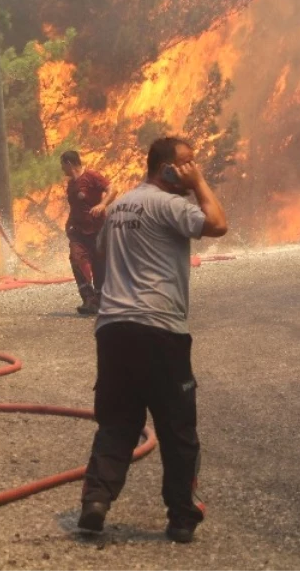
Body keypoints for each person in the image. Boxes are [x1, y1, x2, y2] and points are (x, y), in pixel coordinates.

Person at [78, 136, 228, 544]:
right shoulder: (172, 204)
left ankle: (95, 501)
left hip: (112, 330)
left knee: (117, 423)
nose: (191, 168)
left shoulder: (119, 205)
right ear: (164, 169)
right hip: (160, 330)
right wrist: (198, 184)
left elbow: (107, 259)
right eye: (185, 164)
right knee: (178, 428)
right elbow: (217, 224)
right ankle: (182, 517)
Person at [61, 150, 117, 315]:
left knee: (100, 264)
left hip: (97, 229)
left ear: (69, 164)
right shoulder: (71, 184)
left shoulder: (91, 176)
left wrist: (102, 205)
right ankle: (88, 298)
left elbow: (112, 189)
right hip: (77, 231)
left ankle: (100, 300)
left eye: (62, 165)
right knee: (76, 259)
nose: (62, 169)